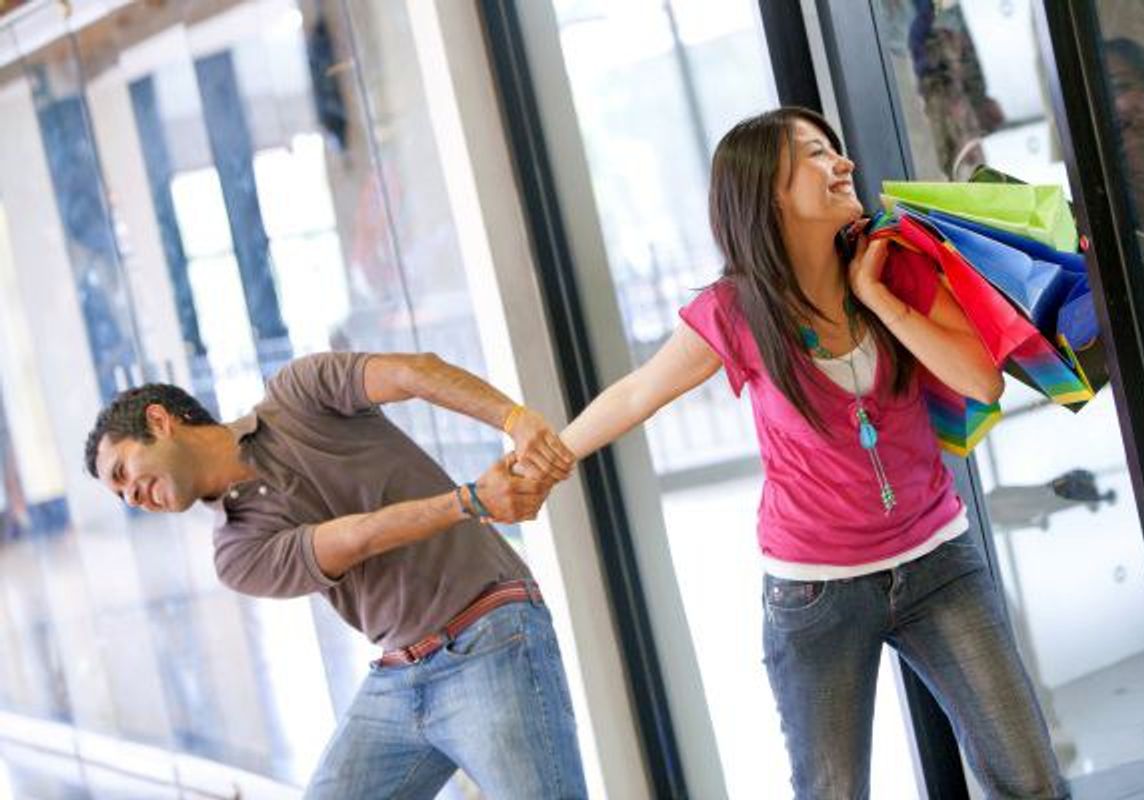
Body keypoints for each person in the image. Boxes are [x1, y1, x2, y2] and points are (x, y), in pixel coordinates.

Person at [548, 107, 1068, 797]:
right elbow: (638, 393)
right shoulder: (738, 311)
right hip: (815, 591)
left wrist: (877, 298)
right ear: (770, 191)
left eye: (837, 149)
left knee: (1032, 781)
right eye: (818, 154)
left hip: (938, 561)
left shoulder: (898, 262)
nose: (843, 163)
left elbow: (981, 379)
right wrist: (544, 458)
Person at [84, 351, 585, 799]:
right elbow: (354, 540)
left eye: (122, 472)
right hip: (399, 676)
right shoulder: (236, 554)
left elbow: (415, 372)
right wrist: (469, 501)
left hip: (487, 635)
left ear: (159, 420)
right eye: (119, 495)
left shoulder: (300, 392)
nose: (130, 497)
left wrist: (515, 420)